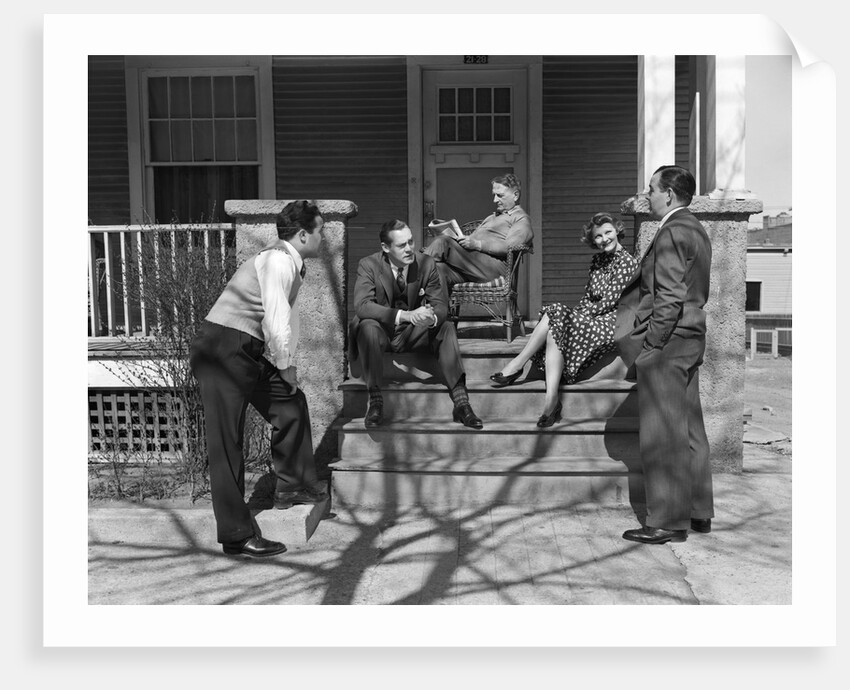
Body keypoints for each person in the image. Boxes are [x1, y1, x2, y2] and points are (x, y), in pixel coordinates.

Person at [189, 200, 327, 559]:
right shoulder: (278, 260)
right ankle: (236, 535)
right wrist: (284, 365)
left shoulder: (291, 264)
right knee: (227, 442)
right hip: (222, 348)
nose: (323, 236)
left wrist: (287, 366)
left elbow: (288, 319)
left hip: (241, 348)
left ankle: (291, 487)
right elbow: (276, 319)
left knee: (289, 401)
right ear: (302, 234)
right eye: (320, 230)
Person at [615, 165, 713, 545]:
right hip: (691, 336)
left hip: (669, 342)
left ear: (669, 194)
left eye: (651, 190)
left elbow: (669, 298)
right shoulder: (696, 229)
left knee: (663, 433)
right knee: (689, 427)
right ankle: (698, 512)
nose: (647, 196)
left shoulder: (673, 231)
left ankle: (668, 522)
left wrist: (651, 345)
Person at [490, 213, 638, 427]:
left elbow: (608, 303)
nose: (604, 239)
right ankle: (551, 401)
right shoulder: (598, 260)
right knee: (556, 321)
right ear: (592, 240)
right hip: (592, 316)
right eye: (598, 236)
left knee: (557, 314)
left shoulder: (627, 262)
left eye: (608, 232)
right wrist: (574, 314)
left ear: (617, 232)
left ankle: (517, 364)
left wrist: (576, 316)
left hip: (611, 322)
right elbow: (588, 296)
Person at [349, 219, 483, 430]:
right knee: (367, 326)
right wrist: (406, 315)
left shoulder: (426, 264)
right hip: (381, 332)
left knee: (446, 326)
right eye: (402, 245)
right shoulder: (369, 265)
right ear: (385, 248)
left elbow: (440, 305)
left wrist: (431, 318)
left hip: (412, 333)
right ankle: (375, 400)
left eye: (411, 242)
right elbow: (363, 306)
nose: (409, 249)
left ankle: (461, 402)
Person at [422, 173, 533, 288]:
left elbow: (509, 247)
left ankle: (407, 285)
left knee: (443, 242)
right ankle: (436, 306)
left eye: (500, 195)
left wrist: (477, 244)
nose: (495, 200)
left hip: (494, 270)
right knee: (438, 270)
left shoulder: (521, 219)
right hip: (473, 267)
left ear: (515, 195)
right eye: (494, 195)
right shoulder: (492, 217)